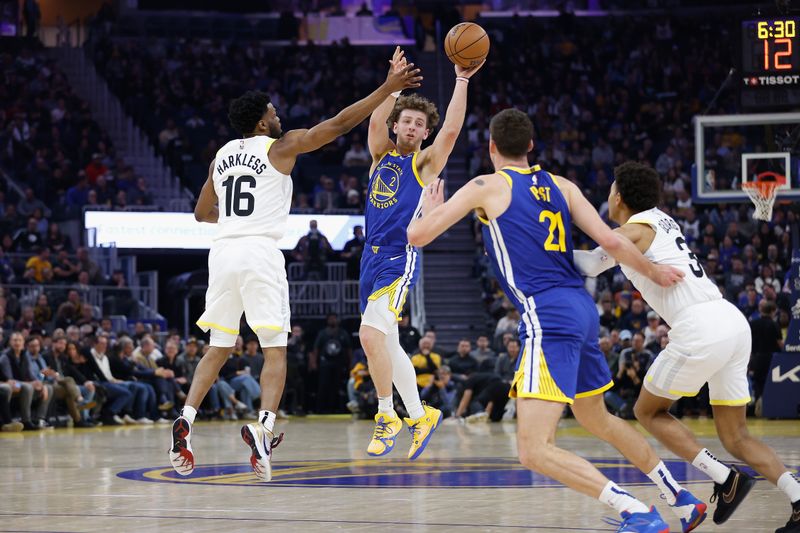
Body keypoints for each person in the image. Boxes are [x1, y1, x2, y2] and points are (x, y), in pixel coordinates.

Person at [407, 109, 695, 532]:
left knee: (533, 450)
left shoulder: (486, 185)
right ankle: (681, 497)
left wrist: (425, 206)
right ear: (530, 146)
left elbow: (418, 236)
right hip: (581, 310)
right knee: (597, 418)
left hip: (546, 315)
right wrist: (652, 272)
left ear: (491, 147)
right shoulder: (562, 185)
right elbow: (613, 241)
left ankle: (635, 511)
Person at [169, 48, 421, 480]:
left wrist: (233, 218)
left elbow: (200, 213)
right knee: (275, 349)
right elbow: (339, 125)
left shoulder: (221, 155)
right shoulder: (280, 146)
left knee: (219, 347)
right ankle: (264, 428)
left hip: (223, 250)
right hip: (260, 253)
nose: (279, 115)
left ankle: (186, 418)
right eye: (274, 111)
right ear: (263, 122)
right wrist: (387, 89)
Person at [574, 161, 800, 532]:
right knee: (737, 436)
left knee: (647, 411)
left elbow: (587, 264)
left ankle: (725, 478)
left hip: (700, 326)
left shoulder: (633, 230)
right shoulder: (663, 220)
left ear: (620, 196)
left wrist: (536, 252)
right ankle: (798, 498)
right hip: (729, 319)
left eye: (611, 190)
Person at [359, 48, 483, 461]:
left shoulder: (424, 163)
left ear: (423, 134)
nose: (412, 127)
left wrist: (461, 80)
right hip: (369, 257)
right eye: (407, 121)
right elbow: (376, 119)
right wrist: (393, 86)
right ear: (397, 126)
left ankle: (385, 414)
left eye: (419, 124)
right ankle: (419, 414)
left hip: (398, 256)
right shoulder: (380, 155)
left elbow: (450, 130)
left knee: (369, 335)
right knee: (388, 346)